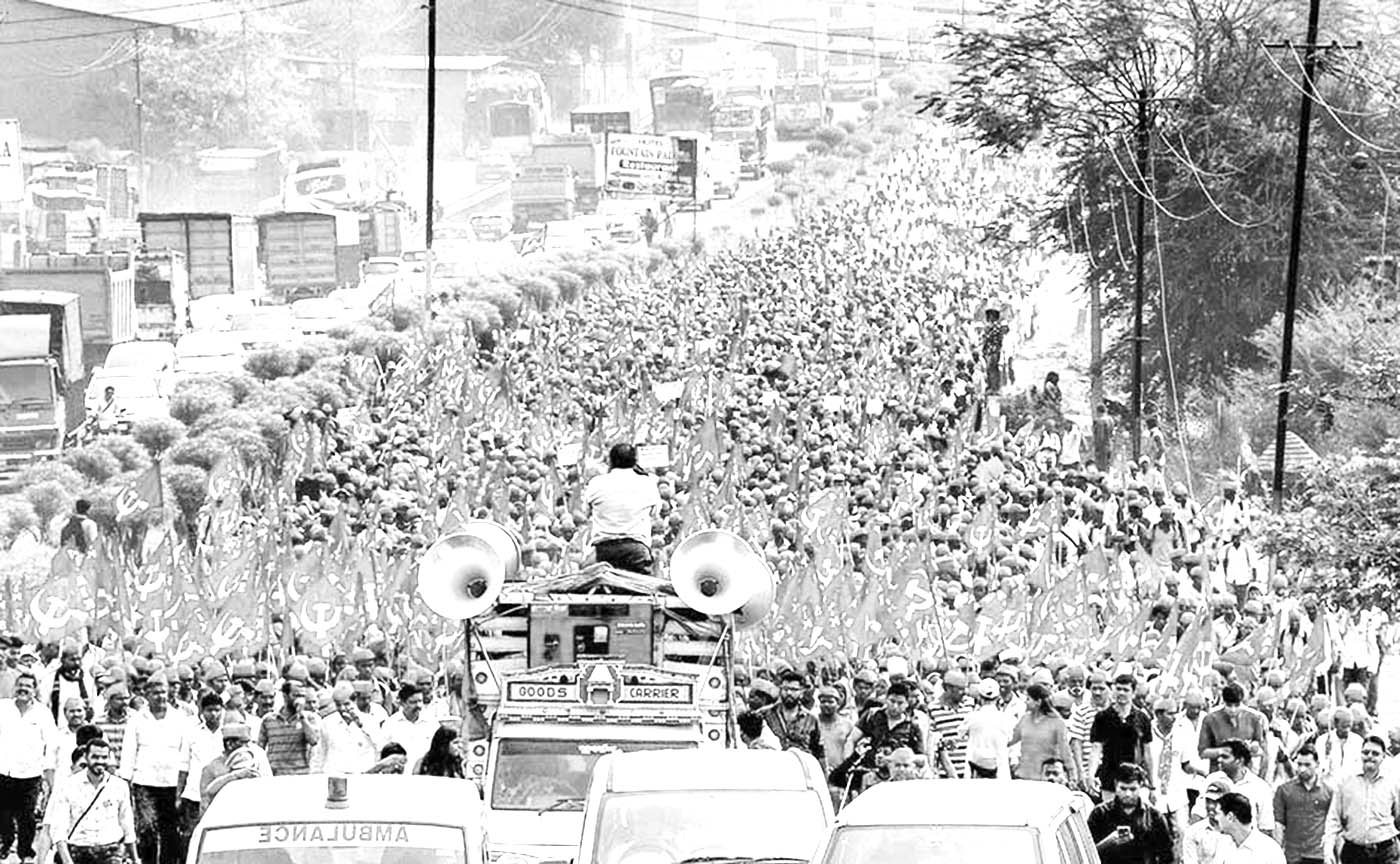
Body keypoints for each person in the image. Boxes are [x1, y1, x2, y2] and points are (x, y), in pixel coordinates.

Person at [117, 673, 186, 864]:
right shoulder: (137, 720)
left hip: (173, 784)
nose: (161, 696)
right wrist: (126, 784)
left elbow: (185, 754)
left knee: (170, 830)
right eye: (156, 693)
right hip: (144, 784)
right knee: (146, 830)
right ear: (147, 695)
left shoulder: (181, 719)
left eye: (163, 692)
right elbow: (128, 755)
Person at [0, 671, 57, 864]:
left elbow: (51, 745)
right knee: (3, 815)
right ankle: (6, 843)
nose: (23, 688)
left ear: (35, 690)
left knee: (27, 817)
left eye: (28, 686)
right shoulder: (3, 708)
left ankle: (25, 852)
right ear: (14, 687)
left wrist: (48, 775)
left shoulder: (43, 713)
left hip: (30, 774)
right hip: (3, 772)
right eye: (20, 685)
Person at [49, 739, 137, 864]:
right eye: (95, 757)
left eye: (104, 757)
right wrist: (67, 861)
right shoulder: (68, 785)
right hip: (78, 850)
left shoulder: (120, 786)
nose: (100, 761)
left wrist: (135, 859)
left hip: (111, 851)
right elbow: (59, 830)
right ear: (86, 757)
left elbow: (127, 825)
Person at [583, 444, 661, 575]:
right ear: (635, 461)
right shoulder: (648, 483)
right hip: (637, 551)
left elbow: (586, 512)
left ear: (610, 461)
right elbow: (655, 513)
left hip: (603, 552)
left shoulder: (596, 483)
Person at [1322, 735, 1399, 864]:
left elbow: (1398, 816)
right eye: (1366, 752)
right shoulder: (1345, 781)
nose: (1370, 756)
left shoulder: (1393, 783)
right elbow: (1334, 819)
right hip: (1354, 853)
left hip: (1385, 852)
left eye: (1375, 753)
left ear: (1383, 757)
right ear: (1360, 754)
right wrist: (1328, 850)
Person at [1087, 763, 1173, 864]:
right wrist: (1108, 842)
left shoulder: (1154, 817)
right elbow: (1086, 854)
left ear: (1140, 786)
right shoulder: (1100, 814)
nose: (1128, 794)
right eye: (1123, 788)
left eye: (1133, 789)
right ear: (1115, 785)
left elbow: (1167, 856)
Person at [1089, 674, 1152, 797]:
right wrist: (1091, 775)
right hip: (1109, 779)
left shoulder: (1142, 718)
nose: (1121, 693)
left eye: (1126, 690)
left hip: (1134, 780)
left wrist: (1152, 784)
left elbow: (1148, 753)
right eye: (1118, 689)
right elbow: (1096, 748)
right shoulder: (1102, 717)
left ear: (1133, 693)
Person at [1273, 745, 1331, 864]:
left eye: (1307, 765)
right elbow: (1279, 824)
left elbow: (1332, 826)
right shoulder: (1284, 790)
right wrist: (1277, 854)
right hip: (1292, 854)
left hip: (1317, 854)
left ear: (1317, 764)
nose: (1302, 769)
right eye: (1299, 764)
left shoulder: (1328, 792)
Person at [199, 723, 271, 810]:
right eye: (243, 743)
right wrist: (234, 776)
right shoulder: (212, 766)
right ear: (230, 744)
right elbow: (206, 796)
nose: (248, 746)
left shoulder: (258, 758)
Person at [316, 683, 383, 775]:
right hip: (335, 775)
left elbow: (380, 746)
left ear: (355, 700)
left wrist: (361, 724)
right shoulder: (327, 722)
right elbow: (320, 752)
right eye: (338, 705)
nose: (343, 708)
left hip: (362, 774)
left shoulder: (370, 721)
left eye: (347, 704)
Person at [257, 679, 320, 776]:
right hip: (276, 775)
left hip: (299, 774)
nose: (300, 700)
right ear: (285, 696)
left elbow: (314, 740)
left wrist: (301, 716)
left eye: (302, 696)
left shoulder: (309, 718)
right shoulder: (268, 720)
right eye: (296, 695)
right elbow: (260, 749)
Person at [1011, 683, 1072, 782]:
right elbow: (1012, 739)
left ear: (1038, 702)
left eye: (1028, 699)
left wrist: (1072, 773)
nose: (1026, 702)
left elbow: (1064, 749)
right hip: (1024, 775)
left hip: (1045, 776)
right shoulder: (1025, 719)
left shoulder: (1057, 722)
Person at [762, 671, 823, 759]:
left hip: (800, 768)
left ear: (802, 692)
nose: (789, 693)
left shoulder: (811, 720)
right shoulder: (765, 715)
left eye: (794, 689)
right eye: (785, 689)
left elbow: (819, 752)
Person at [1217, 790, 1286, 864]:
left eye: (1218, 814)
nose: (1216, 818)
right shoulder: (1223, 844)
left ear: (1230, 817)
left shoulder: (1270, 850)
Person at [961, 678, 1010, 779]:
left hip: (975, 766)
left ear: (979, 697)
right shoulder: (1004, 718)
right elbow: (1009, 738)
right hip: (999, 769)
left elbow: (960, 733)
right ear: (998, 697)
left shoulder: (972, 716)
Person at [1187, 778, 1234, 864]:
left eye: (1216, 802)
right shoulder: (1194, 832)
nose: (1210, 806)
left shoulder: (1237, 832)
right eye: (1208, 801)